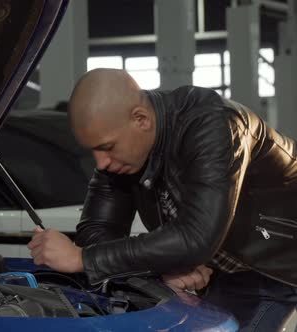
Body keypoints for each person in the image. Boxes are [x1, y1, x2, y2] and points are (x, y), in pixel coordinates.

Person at [27, 68, 297, 330]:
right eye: (94, 151)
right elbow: (96, 230)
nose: (102, 162)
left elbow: (195, 238)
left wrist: (83, 259)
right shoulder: (125, 152)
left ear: (141, 119)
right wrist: (163, 268)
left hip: (279, 276)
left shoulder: (214, 125)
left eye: (107, 147)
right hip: (224, 276)